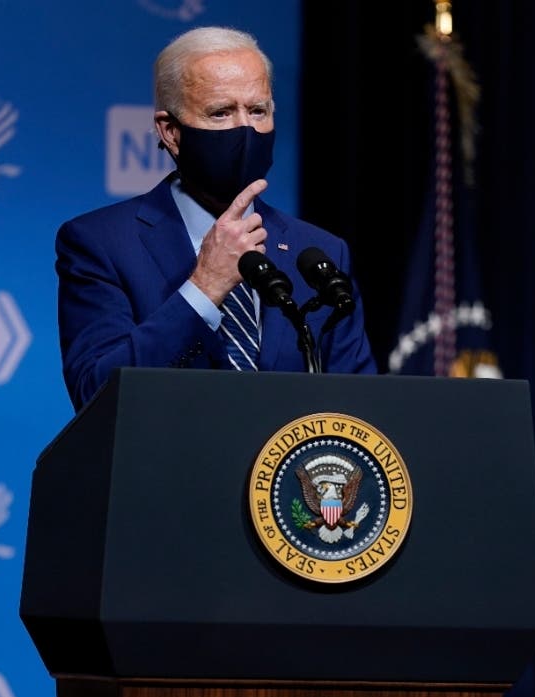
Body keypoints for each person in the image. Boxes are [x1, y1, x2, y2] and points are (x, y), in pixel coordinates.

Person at [55, 26, 376, 412]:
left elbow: (361, 410)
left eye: (258, 111)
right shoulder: (101, 243)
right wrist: (204, 287)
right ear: (171, 132)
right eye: (221, 113)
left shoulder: (320, 251)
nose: (246, 129)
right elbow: (95, 395)